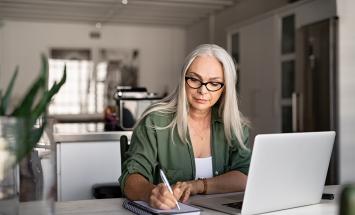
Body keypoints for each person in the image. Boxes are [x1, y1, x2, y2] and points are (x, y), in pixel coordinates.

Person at [119, 44, 251, 209]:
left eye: (214, 83)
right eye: (195, 79)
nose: (203, 90)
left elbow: (244, 177)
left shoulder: (234, 125)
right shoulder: (154, 121)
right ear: (183, 79)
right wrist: (150, 193)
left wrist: (197, 185)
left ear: (224, 88)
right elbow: (130, 178)